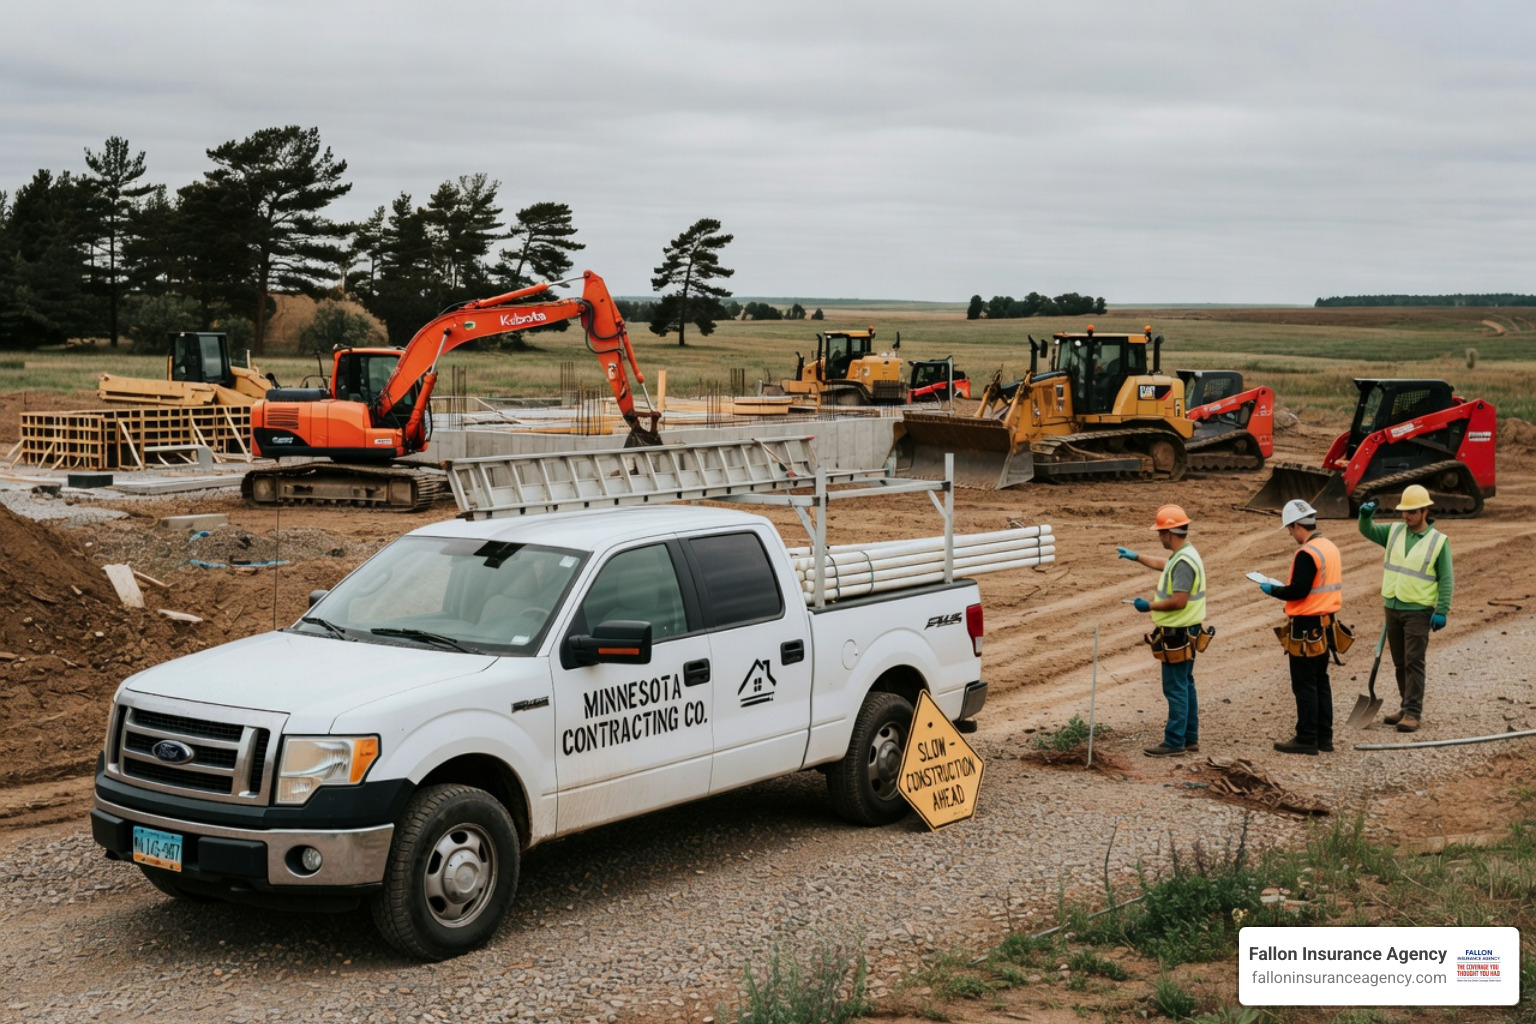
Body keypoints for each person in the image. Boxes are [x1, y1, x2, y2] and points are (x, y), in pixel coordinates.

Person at [1358, 484, 1453, 732]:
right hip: (1392, 606)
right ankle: (1404, 706)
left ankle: (1413, 712)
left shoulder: (1438, 542)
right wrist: (1365, 516)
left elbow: (1446, 578)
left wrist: (1442, 610)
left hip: (1418, 611)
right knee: (1400, 662)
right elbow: (1366, 530)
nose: (1406, 516)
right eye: (1404, 511)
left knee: (1414, 661)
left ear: (1424, 512)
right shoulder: (1394, 532)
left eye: (1411, 512)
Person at [1117, 504, 1207, 757]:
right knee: (1186, 683)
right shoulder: (1186, 554)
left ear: (1169, 532)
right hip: (1188, 629)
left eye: (1160, 532)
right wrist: (1136, 556)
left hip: (1177, 632)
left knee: (1175, 687)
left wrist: (1148, 606)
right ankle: (1190, 738)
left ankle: (1174, 741)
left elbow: (1179, 600)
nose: (1159, 537)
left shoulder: (1184, 562)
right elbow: (1164, 565)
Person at [1256, 499, 1343, 755]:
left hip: (1306, 625)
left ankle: (1306, 738)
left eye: (1290, 529)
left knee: (1304, 684)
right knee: (1320, 680)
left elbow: (1298, 591)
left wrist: (1272, 589)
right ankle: (1324, 738)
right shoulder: (1329, 547)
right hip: (1326, 623)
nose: (1291, 535)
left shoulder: (1307, 552)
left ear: (1296, 526)